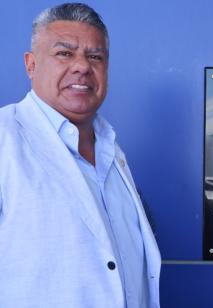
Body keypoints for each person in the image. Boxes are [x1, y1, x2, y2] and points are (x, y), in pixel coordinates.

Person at [0, 3, 160, 307]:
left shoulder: (110, 148)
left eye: (95, 56)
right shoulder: (4, 141)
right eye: (64, 53)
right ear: (30, 64)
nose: (82, 66)